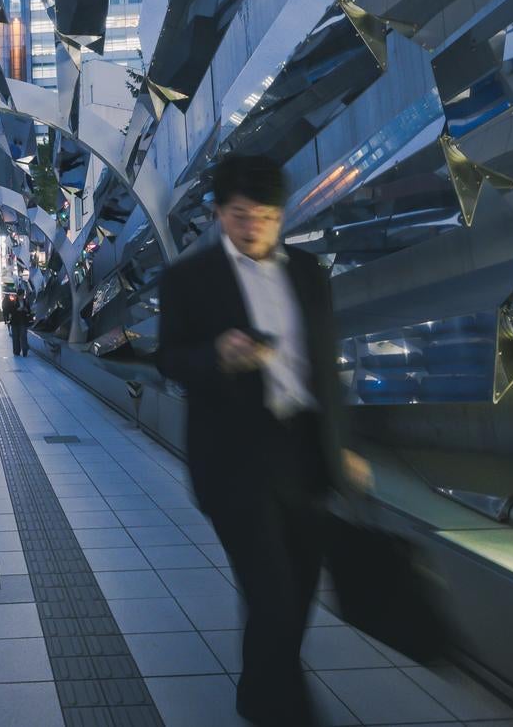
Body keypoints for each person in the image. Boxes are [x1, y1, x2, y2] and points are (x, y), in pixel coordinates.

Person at [156, 154, 371, 725]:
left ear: (282, 215)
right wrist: (217, 356)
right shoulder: (188, 279)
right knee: (272, 592)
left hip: (304, 452)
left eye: (266, 216)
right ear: (220, 213)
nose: (253, 227)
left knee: (298, 590)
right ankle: (286, 712)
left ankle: (257, 691)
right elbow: (169, 359)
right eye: (240, 214)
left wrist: (342, 446)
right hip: (233, 461)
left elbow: (324, 367)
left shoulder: (307, 272)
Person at [8, 292, 32, 357]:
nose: (22, 297)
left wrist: (26, 310)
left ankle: (25, 351)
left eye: (23, 295)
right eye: (21, 295)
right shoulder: (13, 302)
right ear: (18, 296)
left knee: (23, 337)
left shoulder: (26, 302)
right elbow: (10, 311)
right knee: (15, 337)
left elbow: (29, 311)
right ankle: (16, 351)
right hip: (15, 322)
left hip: (23, 322)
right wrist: (17, 310)